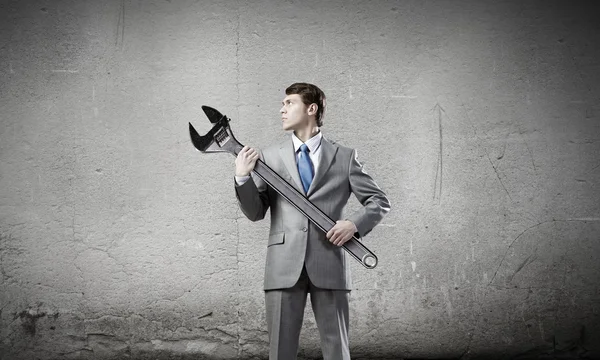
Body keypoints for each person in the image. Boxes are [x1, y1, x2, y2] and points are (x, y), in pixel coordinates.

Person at [234, 82, 390, 360]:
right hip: (283, 265)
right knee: (280, 352)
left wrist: (354, 224)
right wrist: (242, 177)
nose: (282, 109)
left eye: (289, 103)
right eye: (283, 104)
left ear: (311, 108)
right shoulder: (268, 158)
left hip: (330, 262)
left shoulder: (345, 157)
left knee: (337, 352)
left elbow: (379, 201)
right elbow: (256, 212)